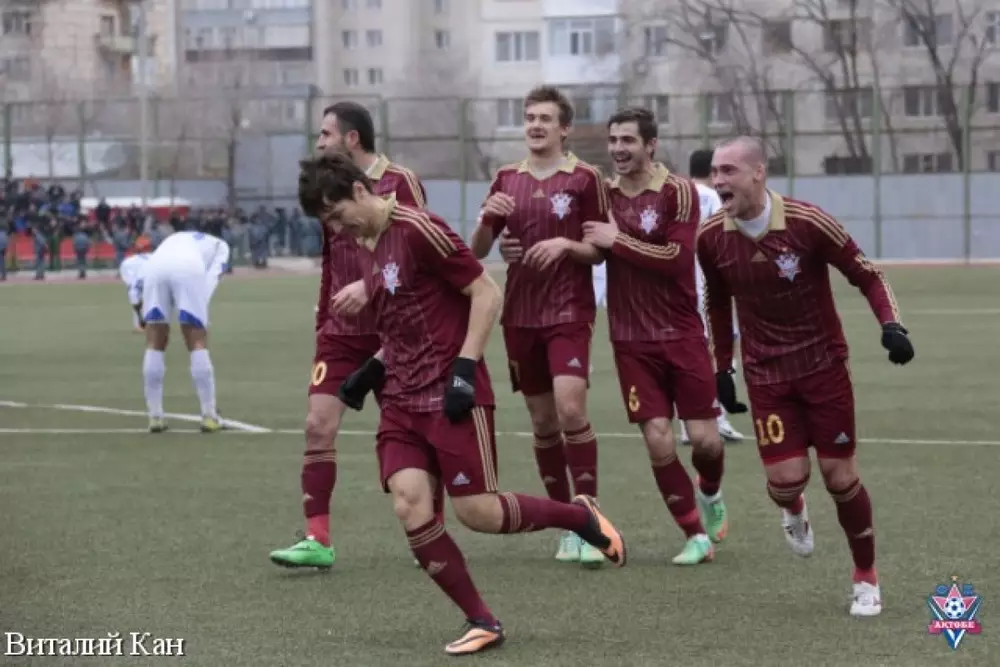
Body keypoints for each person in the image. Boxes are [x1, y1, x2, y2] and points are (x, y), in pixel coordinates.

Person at [297, 153, 626, 655]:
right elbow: (407, 318)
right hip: (402, 398)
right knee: (409, 504)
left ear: (360, 192)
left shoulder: (419, 228)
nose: (338, 230)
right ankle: (482, 620)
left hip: (449, 391)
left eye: (338, 215)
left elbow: (485, 293)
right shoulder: (366, 243)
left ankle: (579, 518)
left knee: (477, 512)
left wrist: (465, 368)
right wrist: (373, 371)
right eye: (329, 223)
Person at [697, 136, 915, 616]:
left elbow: (867, 274)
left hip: (823, 367)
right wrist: (722, 367)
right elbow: (716, 303)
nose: (718, 181)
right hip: (766, 375)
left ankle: (865, 577)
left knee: (840, 477)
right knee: (785, 482)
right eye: (714, 171)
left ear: (758, 173)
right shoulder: (710, 236)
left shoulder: (808, 222)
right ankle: (793, 508)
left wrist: (891, 326)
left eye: (728, 171)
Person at [269, 101, 430, 571]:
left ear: (351, 138)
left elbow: (420, 253)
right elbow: (331, 261)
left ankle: (428, 531)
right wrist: (323, 319)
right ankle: (317, 540)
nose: (318, 142)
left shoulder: (401, 182)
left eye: (325, 134)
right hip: (341, 334)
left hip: (393, 330)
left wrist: (370, 286)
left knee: (411, 434)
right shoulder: (326, 187)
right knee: (317, 425)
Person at [468, 85, 609, 566]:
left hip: (569, 311)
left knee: (570, 409)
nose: (535, 125)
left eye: (545, 118)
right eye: (530, 117)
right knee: (543, 421)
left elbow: (599, 249)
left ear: (564, 128)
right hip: (521, 315)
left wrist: (566, 246)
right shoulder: (506, 178)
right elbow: (477, 251)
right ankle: (566, 523)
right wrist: (488, 224)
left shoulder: (586, 178)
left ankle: (591, 518)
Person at [582, 108, 726, 565]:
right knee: (659, 439)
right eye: (613, 140)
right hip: (630, 339)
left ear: (650, 145)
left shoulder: (678, 192)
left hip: (682, 332)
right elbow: (590, 248)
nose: (618, 149)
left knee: (705, 442)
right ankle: (695, 536)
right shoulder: (603, 196)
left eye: (628, 140)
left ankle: (710, 489)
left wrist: (617, 241)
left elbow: (677, 259)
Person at [681, 148, 745, 444]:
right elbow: (724, 238)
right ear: (712, 170)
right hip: (708, 287)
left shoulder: (678, 192)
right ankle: (717, 417)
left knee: (691, 353)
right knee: (721, 348)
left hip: (680, 286)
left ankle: (689, 422)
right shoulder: (712, 197)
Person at [140, 230, 230, 433]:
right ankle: (209, 415)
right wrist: (200, 311)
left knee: (155, 340)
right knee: (196, 339)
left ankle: (155, 416)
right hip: (188, 266)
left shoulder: (180, 237)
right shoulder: (222, 247)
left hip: (155, 266)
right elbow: (212, 277)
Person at [118, 251, 151, 332]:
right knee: (137, 300)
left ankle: (145, 323)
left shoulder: (130, 262)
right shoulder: (129, 263)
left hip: (143, 284)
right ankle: (140, 324)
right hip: (138, 286)